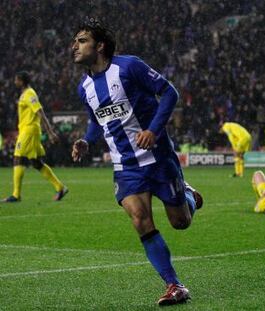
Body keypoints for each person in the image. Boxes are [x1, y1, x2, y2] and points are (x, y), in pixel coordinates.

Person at [71, 20, 203, 306]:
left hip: (158, 158)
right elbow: (97, 120)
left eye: (81, 40)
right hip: (125, 166)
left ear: (100, 45)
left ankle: (189, 195)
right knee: (140, 220)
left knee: (181, 222)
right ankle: (175, 284)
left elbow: (170, 93)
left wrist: (153, 131)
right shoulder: (84, 88)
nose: (75, 46)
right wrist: (87, 140)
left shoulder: (129, 67)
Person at [1, 71, 68, 203]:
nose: (15, 82)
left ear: (21, 81)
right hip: (28, 130)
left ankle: (16, 195)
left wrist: (50, 132)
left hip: (29, 131)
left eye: (16, 80)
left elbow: (40, 112)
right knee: (37, 163)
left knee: (18, 158)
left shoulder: (29, 94)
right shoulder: (25, 94)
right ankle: (60, 187)